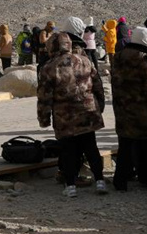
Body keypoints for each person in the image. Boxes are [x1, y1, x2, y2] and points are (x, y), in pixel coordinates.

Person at [37, 17, 107, 198]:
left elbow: (44, 97)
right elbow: (97, 84)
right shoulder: (84, 60)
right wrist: (99, 106)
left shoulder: (49, 67)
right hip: (88, 112)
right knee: (91, 147)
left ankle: (70, 186)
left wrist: (44, 119)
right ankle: (100, 181)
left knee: (68, 150)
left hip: (64, 116)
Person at [112, 26, 147, 192]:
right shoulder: (146, 59)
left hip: (123, 110)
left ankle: (120, 182)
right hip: (143, 112)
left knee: (124, 147)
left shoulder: (118, 57)